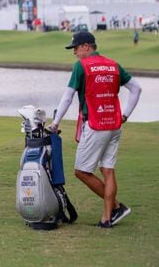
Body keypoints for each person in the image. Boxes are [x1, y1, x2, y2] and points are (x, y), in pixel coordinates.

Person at [48, 31, 142, 228]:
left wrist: (55, 122)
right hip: (115, 124)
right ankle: (107, 218)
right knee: (107, 169)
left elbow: (67, 97)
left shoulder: (81, 66)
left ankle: (116, 206)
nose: (74, 52)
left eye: (75, 48)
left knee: (81, 171)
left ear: (86, 47)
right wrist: (125, 115)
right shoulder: (113, 65)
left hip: (96, 125)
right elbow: (136, 89)